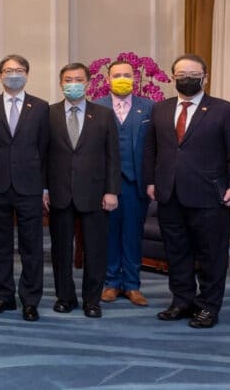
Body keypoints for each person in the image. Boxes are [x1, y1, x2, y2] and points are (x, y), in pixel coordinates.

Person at [144, 54, 230, 329]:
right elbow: (152, 149)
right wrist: (151, 181)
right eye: (181, 74)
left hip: (210, 195)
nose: (186, 78)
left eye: (193, 73)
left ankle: (208, 307)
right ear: (172, 76)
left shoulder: (225, 110)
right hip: (169, 193)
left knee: (211, 254)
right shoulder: (160, 109)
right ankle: (182, 301)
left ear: (205, 77)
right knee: (176, 252)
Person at [46, 63, 121, 318]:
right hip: (59, 193)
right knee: (61, 250)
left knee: (95, 250)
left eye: (78, 79)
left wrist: (112, 191)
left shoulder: (103, 114)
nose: (73, 83)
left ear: (88, 83)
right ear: (60, 84)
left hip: (95, 193)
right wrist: (44, 188)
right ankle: (65, 297)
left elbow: (113, 156)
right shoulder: (49, 114)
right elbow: (42, 155)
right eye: (68, 79)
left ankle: (92, 300)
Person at [0, 55, 50, 322]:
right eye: (8, 70)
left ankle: (30, 300)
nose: (13, 74)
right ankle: (4, 296)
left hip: (30, 187)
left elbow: (46, 151)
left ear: (27, 74)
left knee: (32, 246)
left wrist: (45, 188)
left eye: (19, 70)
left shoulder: (41, 108)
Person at [94, 59, 154, 306]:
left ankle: (132, 285)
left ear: (135, 78)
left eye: (127, 75)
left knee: (132, 234)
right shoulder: (96, 107)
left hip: (135, 183)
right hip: (105, 184)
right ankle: (110, 283)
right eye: (117, 75)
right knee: (108, 234)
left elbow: (155, 148)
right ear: (108, 79)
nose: (122, 79)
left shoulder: (149, 108)